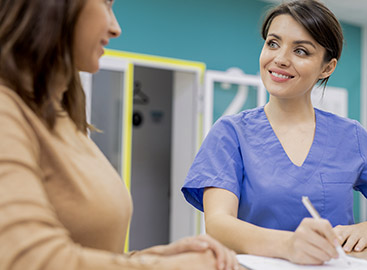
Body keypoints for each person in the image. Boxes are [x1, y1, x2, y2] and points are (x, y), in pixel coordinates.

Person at [182, 0, 367, 266]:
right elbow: (219, 223)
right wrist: (288, 245)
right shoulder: (231, 133)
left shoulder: (349, 136)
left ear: (327, 67)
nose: (280, 59)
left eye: (301, 51)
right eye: (273, 43)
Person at [0, 0, 241, 269]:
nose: (115, 28)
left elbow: (88, 251)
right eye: (105, 4)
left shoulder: (64, 118)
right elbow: (27, 260)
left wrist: (158, 257)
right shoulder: (6, 112)